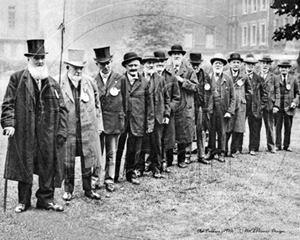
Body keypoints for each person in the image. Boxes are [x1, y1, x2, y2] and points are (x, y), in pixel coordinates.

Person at [1, 39, 68, 212]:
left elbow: (62, 109)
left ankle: (46, 199)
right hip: (25, 130)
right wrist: (9, 124)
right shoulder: (17, 79)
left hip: (48, 132)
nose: (39, 61)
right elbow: (8, 104)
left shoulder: (52, 83)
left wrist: (61, 130)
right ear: (28, 59)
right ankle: (23, 201)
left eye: (42, 58)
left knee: (48, 164)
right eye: (35, 58)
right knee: (25, 163)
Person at [59, 48, 102, 201]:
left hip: (87, 128)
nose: (78, 71)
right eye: (75, 67)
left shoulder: (90, 82)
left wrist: (99, 125)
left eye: (80, 68)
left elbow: (97, 105)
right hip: (68, 129)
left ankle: (88, 189)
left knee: (87, 159)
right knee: (68, 160)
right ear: (67, 67)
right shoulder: (59, 82)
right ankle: (68, 190)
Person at [93, 46, 125, 192]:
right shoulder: (92, 80)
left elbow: (125, 100)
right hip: (99, 122)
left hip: (114, 121)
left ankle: (109, 179)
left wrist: (122, 118)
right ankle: (95, 179)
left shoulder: (120, 79)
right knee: (97, 154)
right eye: (102, 64)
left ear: (111, 61)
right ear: (96, 63)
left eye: (107, 63)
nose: (105, 66)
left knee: (112, 153)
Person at [121, 52, 154, 185]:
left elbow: (150, 105)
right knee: (118, 148)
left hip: (139, 121)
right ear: (126, 67)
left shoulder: (145, 82)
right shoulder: (121, 81)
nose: (133, 68)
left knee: (135, 149)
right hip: (122, 121)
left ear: (139, 66)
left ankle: (131, 173)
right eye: (130, 65)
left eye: (135, 65)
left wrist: (150, 123)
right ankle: (114, 175)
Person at [167, 45, 198, 168]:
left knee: (183, 134)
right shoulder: (166, 70)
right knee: (170, 134)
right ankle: (168, 160)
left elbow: (196, 87)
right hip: (171, 105)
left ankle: (181, 160)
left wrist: (182, 81)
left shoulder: (189, 70)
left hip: (185, 106)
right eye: (174, 54)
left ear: (182, 56)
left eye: (179, 54)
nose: (176, 56)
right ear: (171, 56)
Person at [140, 52, 170, 178]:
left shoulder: (161, 80)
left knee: (157, 144)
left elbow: (167, 99)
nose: (151, 65)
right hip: (142, 118)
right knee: (141, 144)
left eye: (153, 62)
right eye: (148, 63)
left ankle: (156, 168)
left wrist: (166, 114)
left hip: (158, 117)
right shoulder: (138, 79)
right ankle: (139, 169)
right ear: (143, 65)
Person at [205, 53, 235, 162]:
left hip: (223, 110)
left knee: (222, 132)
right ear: (213, 65)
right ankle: (211, 151)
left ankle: (222, 152)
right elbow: (204, 95)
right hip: (211, 109)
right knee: (211, 131)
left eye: (220, 63)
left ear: (223, 66)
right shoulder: (208, 77)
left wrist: (230, 111)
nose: (218, 65)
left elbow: (233, 97)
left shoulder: (228, 79)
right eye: (216, 63)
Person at [154, 50, 180, 172]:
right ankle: (151, 163)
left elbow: (176, 97)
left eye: (162, 62)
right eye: (157, 62)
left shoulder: (171, 77)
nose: (160, 64)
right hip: (152, 115)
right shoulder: (149, 77)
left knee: (167, 139)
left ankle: (164, 162)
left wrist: (167, 111)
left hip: (167, 114)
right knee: (153, 140)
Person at [224, 53, 252, 157]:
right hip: (228, 105)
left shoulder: (244, 75)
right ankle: (224, 150)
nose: (236, 64)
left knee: (238, 129)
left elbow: (249, 90)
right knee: (227, 129)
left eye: (238, 62)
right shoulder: (225, 74)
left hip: (240, 106)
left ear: (240, 64)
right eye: (234, 62)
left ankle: (233, 151)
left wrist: (244, 99)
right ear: (230, 64)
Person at [188, 52, 212, 164]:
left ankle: (201, 155)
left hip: (202, 107)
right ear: (189, 63)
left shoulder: (205, 76)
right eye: (193, 64)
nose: (195, 66)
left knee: (201, 130)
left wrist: (206, 107)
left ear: (200, 63)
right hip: (189, 106)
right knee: (188, 130)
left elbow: (209, 92)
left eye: (197, 64)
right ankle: (187, 156)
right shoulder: (187, 75)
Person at [244, 54, 267, 156]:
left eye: (252, 65)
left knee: (255, 127)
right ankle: (237, 148)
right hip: (243, 106)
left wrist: (261, 106)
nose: (250, 66)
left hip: (255, 107)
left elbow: (265, 94)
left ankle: (253, 148)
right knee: (239, 127)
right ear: (245, 65)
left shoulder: (259, 79)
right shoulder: (240, 76)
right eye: (248, 64)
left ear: (254, 66)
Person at [275, 60, 299, 152]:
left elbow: (297, 93)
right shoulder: (275, 78)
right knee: (278, 127)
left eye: (285, 68)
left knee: (288, 127)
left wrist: (294, 102)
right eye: (281, 68)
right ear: (279, 69)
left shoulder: (293, 79)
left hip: (289, 107)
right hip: (278, 106)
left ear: (288, 69)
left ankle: (287, 145)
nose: (283, 69)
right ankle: (277, 145)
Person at [259, 55, 280, 153]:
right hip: (258, 106)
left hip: (269, 105)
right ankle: (254, 147)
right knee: (255, 127)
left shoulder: (274, 77)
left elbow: (277, 92)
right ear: (260, 64)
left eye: (267, 64)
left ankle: (271, 146)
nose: (265, 65)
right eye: (263, 63)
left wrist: (276, 105)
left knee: (269, 126)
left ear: (269, 65)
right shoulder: (256, 75)